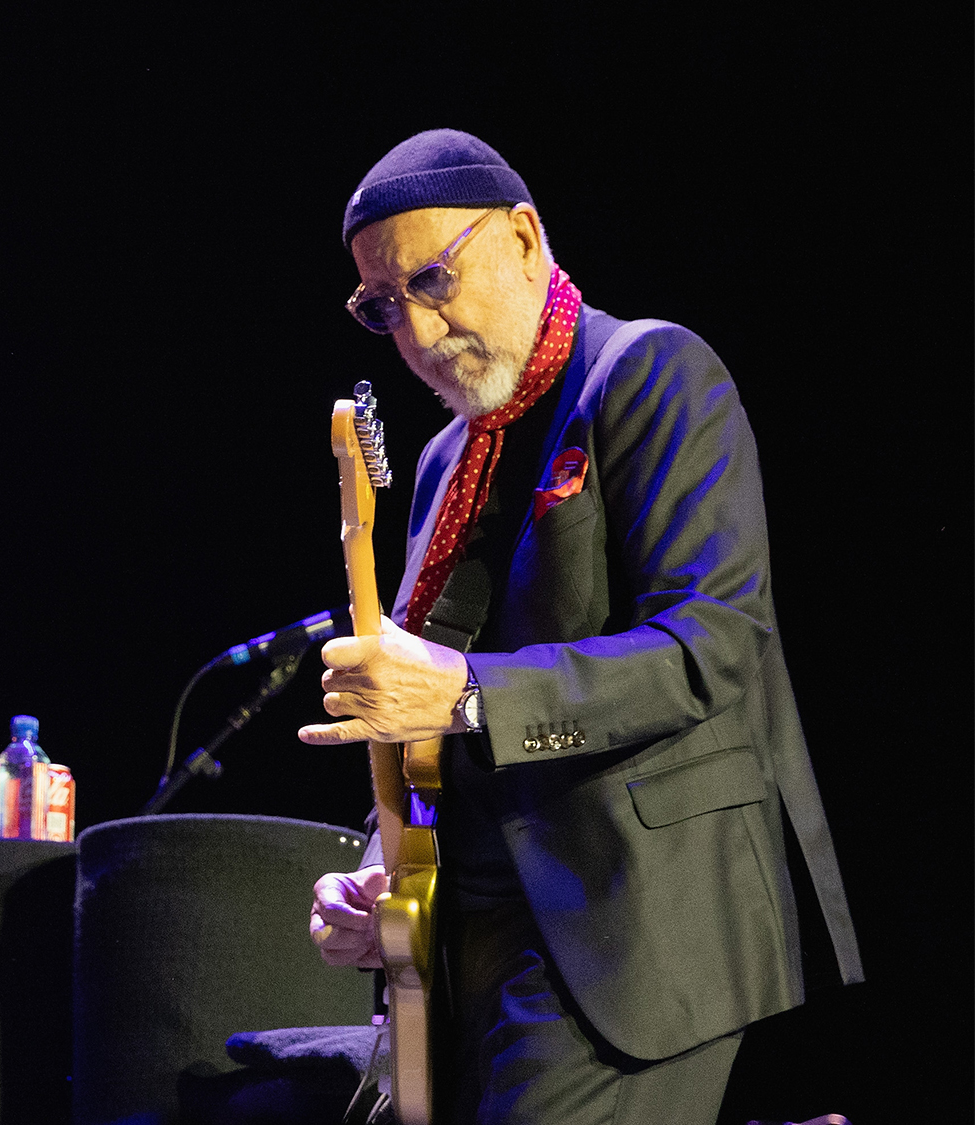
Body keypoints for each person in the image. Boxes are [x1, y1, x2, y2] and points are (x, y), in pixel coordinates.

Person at [298, 130, 862, 1124]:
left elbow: (710, 649)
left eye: (434, 280)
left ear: (522, 238)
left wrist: (466, 694)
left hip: (628, 926)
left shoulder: (649, 372)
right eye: (385, 305)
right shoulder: (444, 458)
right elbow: (439, 721)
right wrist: (382, 877)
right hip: (474, 939)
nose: (419, 335)